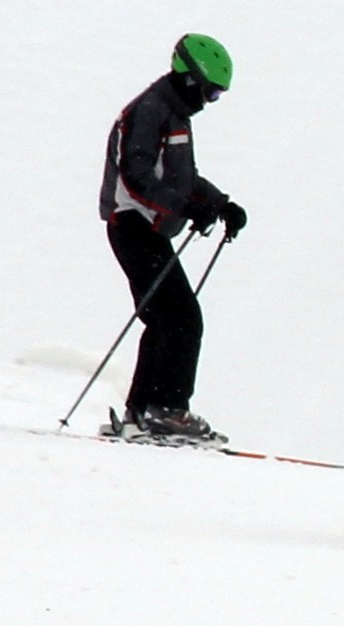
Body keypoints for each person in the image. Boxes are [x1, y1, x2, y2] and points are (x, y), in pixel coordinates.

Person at [98, 34, 243, 442]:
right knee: (182, 318)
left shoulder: (174, 114)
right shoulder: (151, 110)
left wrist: (220, 204)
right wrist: (184, 208)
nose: (209, 102)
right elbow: (137, 175)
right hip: (132, 223)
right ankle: (168, 410)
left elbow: (182, 180)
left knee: (165, 318)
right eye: (210, 93)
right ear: (190, 79)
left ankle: (141, 411)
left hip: (146, 226)